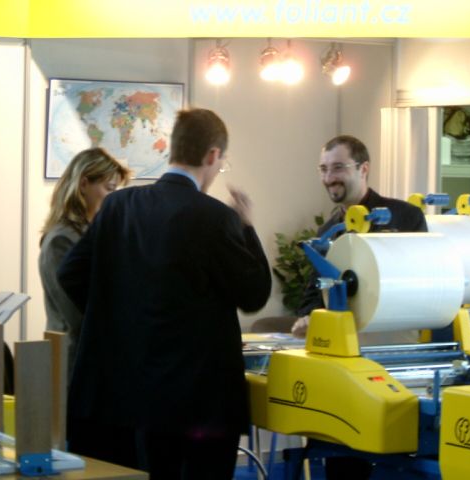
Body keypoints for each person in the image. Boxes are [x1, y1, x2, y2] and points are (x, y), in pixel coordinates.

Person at [58, 108, 272, 478]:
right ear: (212, 155)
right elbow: (254, 294)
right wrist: (247, 227)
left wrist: (115, 318)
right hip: (197, 402)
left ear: (174, 149)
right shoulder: (215, 216)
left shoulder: (117, 206)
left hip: (127, 395)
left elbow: (70, 273)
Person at [292, 135, 427, 480]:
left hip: (398, 362)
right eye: (323, 169)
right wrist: (308, 316)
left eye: (338, 167)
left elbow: (420, 280)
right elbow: (313, 291)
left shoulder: (406, 217)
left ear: (363, 168)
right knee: (343, 458)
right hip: (347, 366)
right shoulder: (329, 231)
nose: (329, 178)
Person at [39, 147, 129, 384]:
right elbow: (76, 313)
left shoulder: (90, 233)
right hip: (73, 363)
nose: (113, 198)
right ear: (83, 184)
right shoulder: (61, 239)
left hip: (94, 359)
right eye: (109, 188)